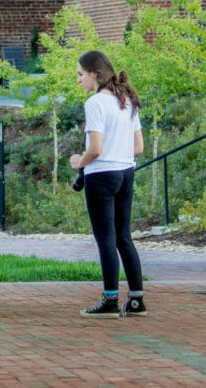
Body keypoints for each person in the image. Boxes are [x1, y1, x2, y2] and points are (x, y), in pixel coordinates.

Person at [69, 50, 146, 318]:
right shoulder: (128, 99)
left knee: (105, 240)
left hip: (101, 176)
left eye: (80, 75)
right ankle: (136, 300)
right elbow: (139, 147)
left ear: (94, 74)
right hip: (126, 173)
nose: (79, 80)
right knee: (124, 236)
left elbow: (96, 149)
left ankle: (110, 300)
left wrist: (80, 161)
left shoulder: (95, 103)